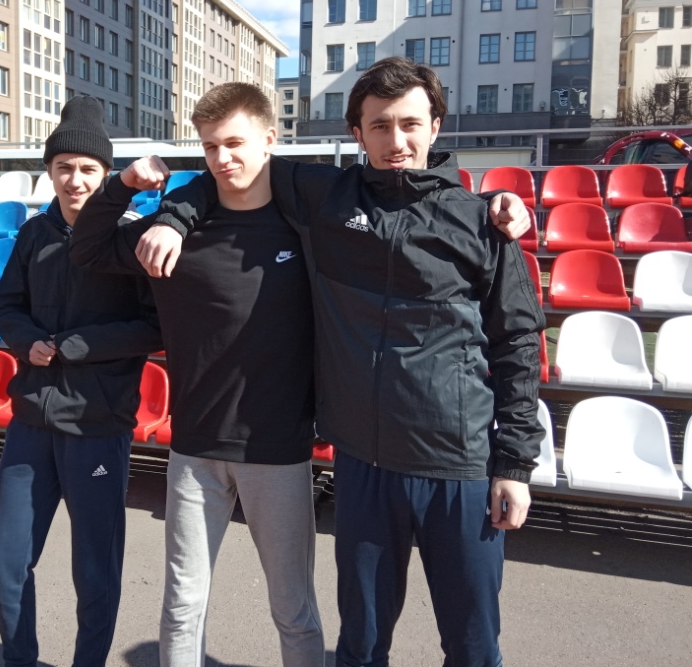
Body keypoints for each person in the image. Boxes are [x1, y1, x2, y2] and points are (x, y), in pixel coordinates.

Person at [145, 62, 545, 667]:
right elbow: (230, 165)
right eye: (379, 126)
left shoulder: (481, 222)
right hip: (364, 467)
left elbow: (517, 344)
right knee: (359, 647)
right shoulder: (327, 196)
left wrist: (513, 463)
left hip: (458, 464)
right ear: (357, 133)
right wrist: (174, 218)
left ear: (436, 126)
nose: (396, 140)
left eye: (410, 124)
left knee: (472, 647)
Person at [70, 84, 325, 667]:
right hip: (194, 448)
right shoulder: (175, 230)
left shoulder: (303, 225)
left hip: (277, 449)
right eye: (210, 147)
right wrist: (124, 185)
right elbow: (87, 249)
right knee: (183, 605)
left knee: (293, 608)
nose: (222, 158)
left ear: (269, 139)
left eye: (235, 143)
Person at [0, 95, 162, 667]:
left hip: (97, 423)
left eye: (88, 169)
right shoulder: (33, 235)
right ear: (49, 171)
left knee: (95, 570)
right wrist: (24, 340)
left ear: (106, 174)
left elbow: (154, 328)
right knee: (5, 562)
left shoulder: (131, 238)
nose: (76, 180)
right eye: (64, 167)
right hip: (32, 422)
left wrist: (76, 346)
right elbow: (7, 307)